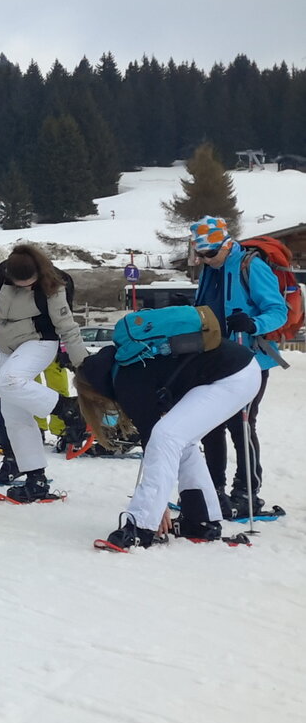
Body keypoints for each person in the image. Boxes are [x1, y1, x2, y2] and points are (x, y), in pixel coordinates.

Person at [74, 312, 261, 549]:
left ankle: (140, 527)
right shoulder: (129, 362)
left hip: (232, 376)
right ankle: (201, 520)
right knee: (180, 439)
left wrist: (156, 508)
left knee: (166, 437)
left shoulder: (126, 380)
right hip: (239, 367)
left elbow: (153, 440)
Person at [0, 244, 89, 503]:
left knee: (6, 382)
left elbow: (67, 327)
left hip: (40, 342)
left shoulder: (53, 284)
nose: (22, 288)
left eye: (27, 284)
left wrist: (82, 364)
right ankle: (35, 477)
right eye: (16, 284)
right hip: (8, 345)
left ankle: (68, 408)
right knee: (13, 414)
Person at [190, 216, 289, 519]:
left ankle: (247, 492)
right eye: (201, 254)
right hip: (214, 358)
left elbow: (278, 310)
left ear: (226, 244)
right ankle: (213, 489)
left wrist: (254, 322)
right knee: (209, 424)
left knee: (241, 425)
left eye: (210, 253)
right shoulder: (210, 269)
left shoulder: (251, 266)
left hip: (250, 359)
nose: (205, 260)